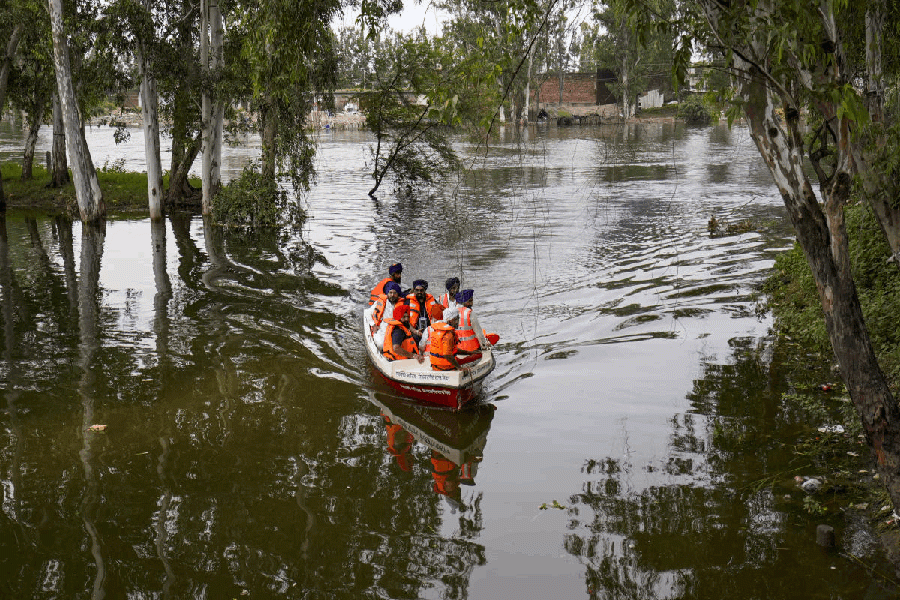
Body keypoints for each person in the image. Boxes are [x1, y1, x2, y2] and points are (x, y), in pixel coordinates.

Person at [455, 289, 489, 364]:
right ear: (464, 301)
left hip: (457, 350)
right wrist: (484, 347)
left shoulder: (451, 312)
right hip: (472, 349)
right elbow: (478, 333)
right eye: (470, 301)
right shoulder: (470, 313)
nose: (471, 303)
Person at [365, 282, 402, 346]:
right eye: (390, 293)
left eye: (395, 293)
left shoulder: (402, 304)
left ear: (398, 294)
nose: (392, 295)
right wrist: (373, 325)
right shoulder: (381, 302)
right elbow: (367, 312)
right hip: (382, 328)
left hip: (396, 329)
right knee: (380, 345)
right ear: (387, 293)